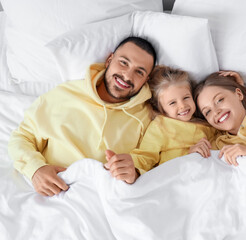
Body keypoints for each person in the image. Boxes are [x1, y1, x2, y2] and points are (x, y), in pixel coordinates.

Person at [8, 36, 157, 196]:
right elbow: (22, 138)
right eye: (123, 63)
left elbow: (152, 160)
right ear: (109, 60)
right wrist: (36, 169)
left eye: (139, 72)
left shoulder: (148, 117)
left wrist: (134, 172)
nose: (127, 76)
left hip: (103, 199)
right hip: (51, 191)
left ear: (146, 80)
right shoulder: (63, 95)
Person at [105, 65, 221, 181]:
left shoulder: (206, 119)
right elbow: (145, 156)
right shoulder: (161, 126)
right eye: (172, 103)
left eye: (186, 97)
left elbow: (227, 137)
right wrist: (127, 166)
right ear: (162, 109)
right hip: (176, 179)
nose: (182, 105)